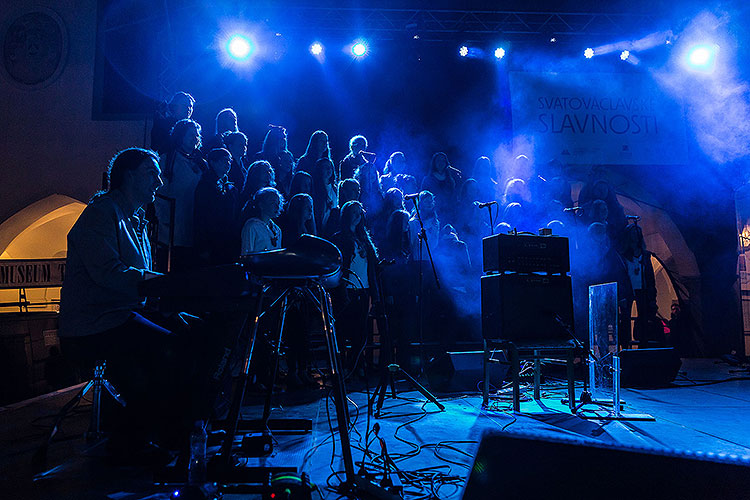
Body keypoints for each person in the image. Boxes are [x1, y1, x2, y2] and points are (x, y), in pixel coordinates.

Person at [58, 148, 196, 457]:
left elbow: (140, 283)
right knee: (170, 346)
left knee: (196, 332)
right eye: (151, 173)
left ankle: (178, 430)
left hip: (121, 314)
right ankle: (134, 442)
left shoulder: (136, 220)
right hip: (94, 323)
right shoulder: (101, 212)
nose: (159, 181)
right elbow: (109, 273)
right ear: (128, 175)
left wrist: (169, 297)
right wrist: (159, 284)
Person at [330, 201, 379, 371]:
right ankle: (343, 367)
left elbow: (372, 270)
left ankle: (354, 365)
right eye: (354, 212)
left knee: (360, 333)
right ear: (346, 215)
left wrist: (375, 295)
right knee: (343, 330)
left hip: (363, 290)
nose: (358, 216)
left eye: (360, 212)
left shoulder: (364, 239)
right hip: (346, 290)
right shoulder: (339, 238)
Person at [154, 119, 206, 271]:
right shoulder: (167, 159)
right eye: (191, 134)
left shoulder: (199, 162)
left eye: (197, 135)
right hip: (172, 228)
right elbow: (159, 192)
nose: (195, 138)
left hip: (193, 225)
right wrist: (164, 219)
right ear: (180, 135)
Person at [193, 148, 239, 265]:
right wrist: (203, 245)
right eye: (224, 160)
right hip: (212, 239)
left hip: (223, 238)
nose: (228, 164)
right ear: (213, 162)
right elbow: (201, 216)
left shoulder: (227, 186)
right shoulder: (205, 186)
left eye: (229, 161)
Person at [255, 125, 295, 197]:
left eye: (284, 137)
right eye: (280, 137)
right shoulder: (262, 156)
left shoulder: (287, 156)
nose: (283, 139)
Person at [241, 187, 284, 254]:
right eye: (273, 203)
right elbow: (246, 252)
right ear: (261, 205)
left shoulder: (277, 230)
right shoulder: (252, 226)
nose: (277, 207)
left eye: (278, 203)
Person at [422, 152, 461, 224]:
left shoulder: (450, 178)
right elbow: (423, 197)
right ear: (434, 163)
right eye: (438, 161)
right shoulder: (428, 179)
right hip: (434, 212)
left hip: (450, 211)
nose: (441, 163)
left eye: (443, 161)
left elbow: (454, 194)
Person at [311, 158, 338, 232]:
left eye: (330, 167)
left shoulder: (335, 188)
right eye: (325, 167)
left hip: (332, 226)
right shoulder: (315, 188)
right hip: (320, 225)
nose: (329, 169)